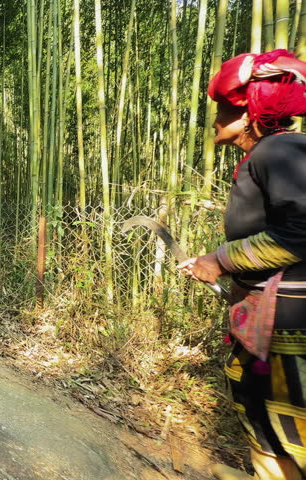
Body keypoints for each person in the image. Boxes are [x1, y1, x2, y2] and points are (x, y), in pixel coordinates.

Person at [179, 49, 306, 480]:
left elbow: (301, 232)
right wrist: (216, 263)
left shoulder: (282, 152)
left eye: (223, 111)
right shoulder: (268, 155)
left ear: (250, 113)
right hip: (267, 315)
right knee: (260, 406)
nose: (215, 120)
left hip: (290, 323)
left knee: (292, 422)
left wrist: (222, 258)